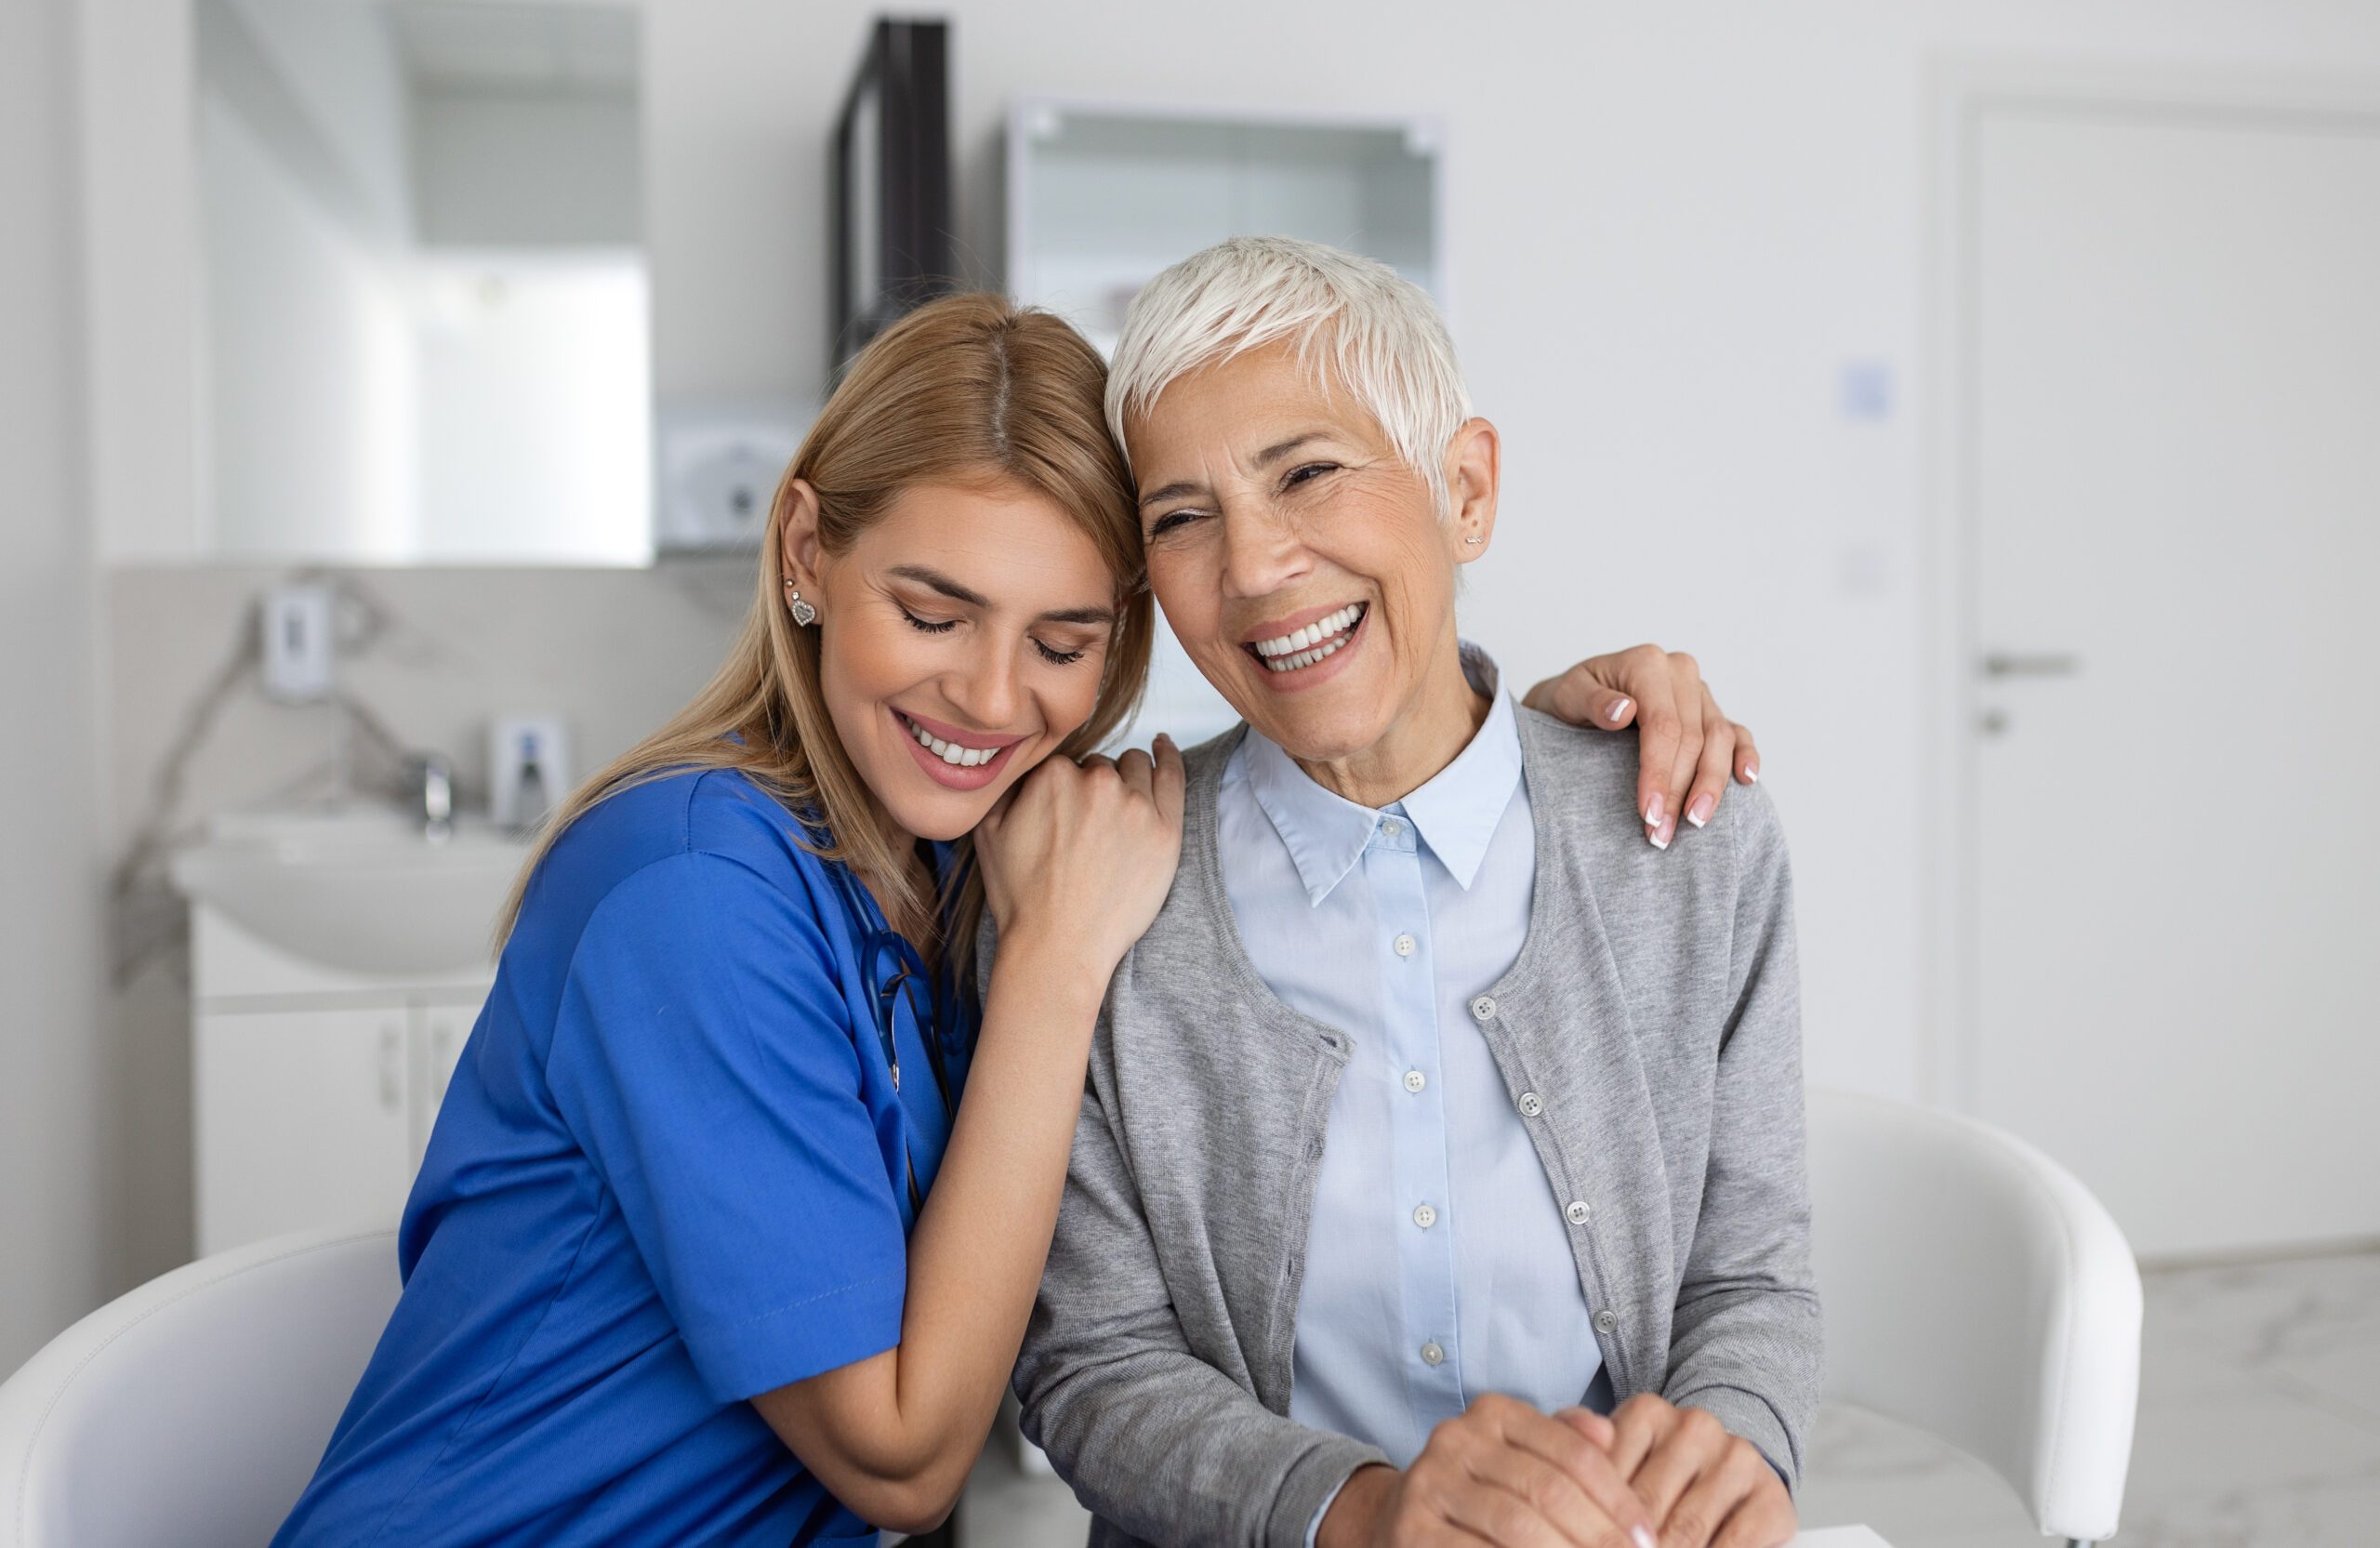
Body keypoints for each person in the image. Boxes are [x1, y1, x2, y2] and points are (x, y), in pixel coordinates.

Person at [272, 290, 1762, 1546]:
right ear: (804, 552)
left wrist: (1544, 743)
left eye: (1062, 642)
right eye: (932, 613)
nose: (992, 700)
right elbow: (908, 1457)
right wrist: (1056, 965)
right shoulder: (693, 896)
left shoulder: (965, 868)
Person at [1012, 238, 1818, 1548]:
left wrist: (1737, 1443)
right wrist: (1361, 1513)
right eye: (1181, 516)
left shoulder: (1694, 840)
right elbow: (1091, 1366)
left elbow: (1752, 1276)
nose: (1257, 565)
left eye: (1309, 473)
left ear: (1465, 490)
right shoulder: (1104, 891)